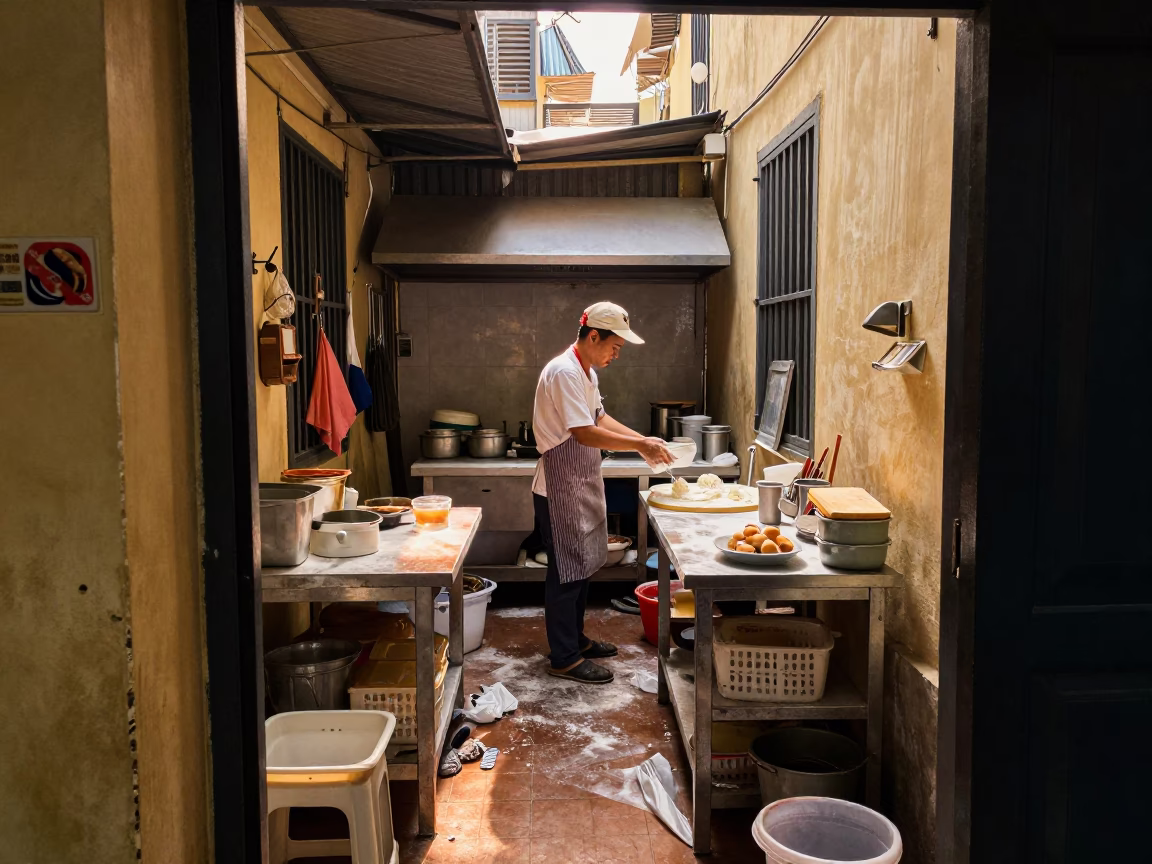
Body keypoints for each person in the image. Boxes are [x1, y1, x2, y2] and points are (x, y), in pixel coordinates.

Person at [532, 302, 673, 684]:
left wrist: (642, 438)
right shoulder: (563, 372)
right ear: (592, 335)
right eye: (614, 346)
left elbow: (598, 419)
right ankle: (563, 658)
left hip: (580, 482)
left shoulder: (586, 372)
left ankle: (574, 641)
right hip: (560, 487)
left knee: (580, 568)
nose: (616, 354)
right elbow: (583, 432)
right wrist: (640, 447)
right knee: (566, 573)